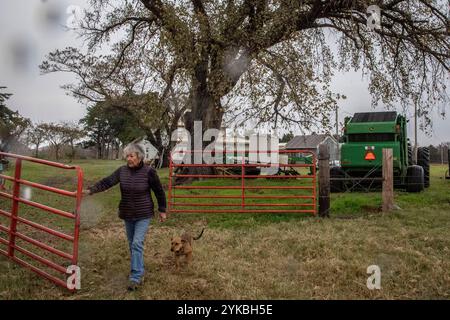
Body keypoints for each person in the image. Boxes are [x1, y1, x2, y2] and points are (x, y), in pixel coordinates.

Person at [83, 143, 167, 291]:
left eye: (131, 156)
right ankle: (139, 267)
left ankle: (136, 277)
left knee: (136, 243)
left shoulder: (149, 172)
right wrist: (92, 190)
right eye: (127, 156)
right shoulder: (122, 171)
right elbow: (107, 182)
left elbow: (159, 191)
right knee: (132, 244)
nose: (128, 159)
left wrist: (162, 209)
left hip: (143, 213)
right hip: (127, 212)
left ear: (139, 157)